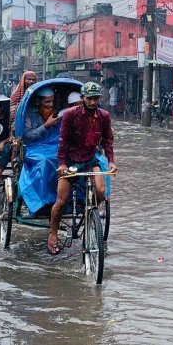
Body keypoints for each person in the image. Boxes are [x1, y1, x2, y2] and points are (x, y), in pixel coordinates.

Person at [49, 82, 114, 255]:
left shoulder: (104, 116)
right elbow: (63, 142)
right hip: (71, 161)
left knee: (101, 192)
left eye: (96, 98)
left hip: (91, 160)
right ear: (83, 99)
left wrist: (111, 161)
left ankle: (89, 215)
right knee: (61, 201)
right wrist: (62, 164)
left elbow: (108, 141)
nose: (93, 102)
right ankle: (53, 234)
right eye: (90, 99)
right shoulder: (71, 115)